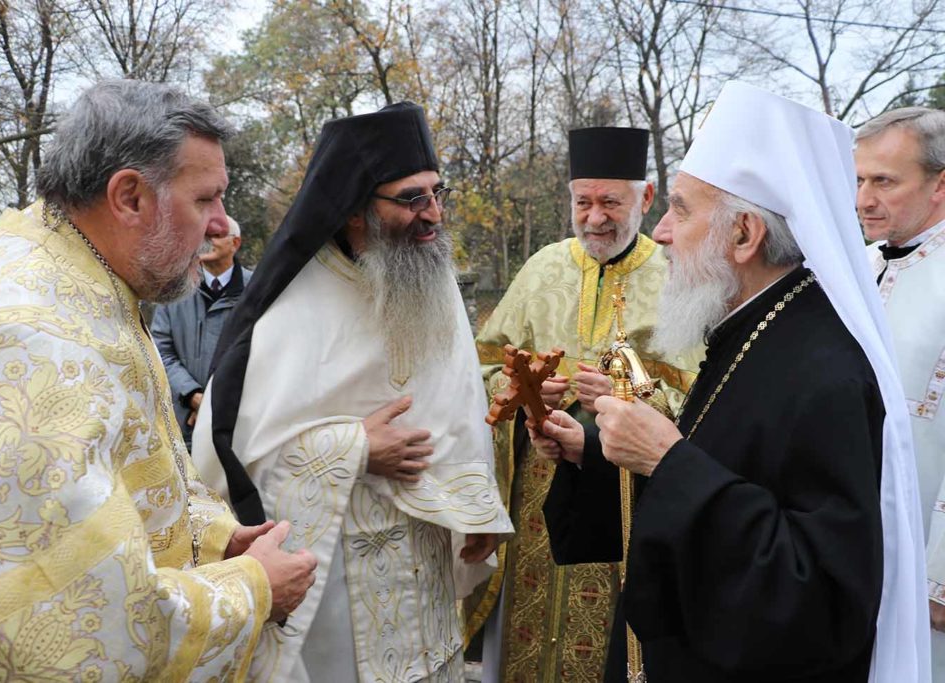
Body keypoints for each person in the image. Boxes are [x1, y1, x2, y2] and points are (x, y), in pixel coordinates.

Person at [0, 80, 317, 681]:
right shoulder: (30, 339)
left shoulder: (74, 274)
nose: (221, 225)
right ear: (129, 197)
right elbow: (79, 622)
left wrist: (213, 541)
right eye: (206, 199)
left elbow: (131, 465)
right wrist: (254, 586)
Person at [536, 82, 929, 681]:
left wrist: (668, 460)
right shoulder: (751, 326)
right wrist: (591, 454)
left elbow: (817, 595)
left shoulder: (826, 370)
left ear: (745, 235)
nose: (661, 232)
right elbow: (723, 474)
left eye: (682, 209)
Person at [191, 102, 513, 682]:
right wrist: (352, 448)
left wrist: (477, 505)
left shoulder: (432, 282)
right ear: (355, 209)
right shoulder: (290, 311)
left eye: (438, 193)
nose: (433, 214)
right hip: (335, 579)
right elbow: (231, 465)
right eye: (412, 198)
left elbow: (461, 404)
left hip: (427, 556)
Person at [468, 126, 702, 681]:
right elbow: (481, 370)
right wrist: (521, 388)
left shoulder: (679, 276)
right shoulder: (542, 267)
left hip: (622, 493)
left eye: (610, 202)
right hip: (537, 489)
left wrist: (623, 396)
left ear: (645, 199)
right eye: (583, 201)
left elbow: (700, 394)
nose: (595, 217)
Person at [855, 106, 945, 678]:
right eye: (859, 179)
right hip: (852, 549)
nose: (864, 198)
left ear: (941, 184)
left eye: (884, 181)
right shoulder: (856, 266)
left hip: (925, 558)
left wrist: (941, 574)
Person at [151, 215, 253, 446]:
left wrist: (216, 401)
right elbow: (161, 351)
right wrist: (193, 396)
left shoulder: (256, 290)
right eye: (202, 236)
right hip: (185, 423)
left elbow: (264, 352)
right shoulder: (173, 290)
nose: (206, 242)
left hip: (242, 422)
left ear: (235, 243)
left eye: (215, 236)